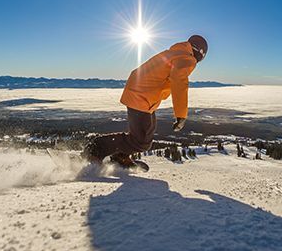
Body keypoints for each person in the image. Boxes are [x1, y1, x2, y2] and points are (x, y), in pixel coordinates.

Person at [82, 35, 208, 167]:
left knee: (147, 131)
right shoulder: (187, 58)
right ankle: (96, 149)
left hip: (141, 92)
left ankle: (120, 156)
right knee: (142, 141)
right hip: (141, 95)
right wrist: (181, 115)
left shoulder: (175, 53)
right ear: (201, 53)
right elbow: (180, 83)